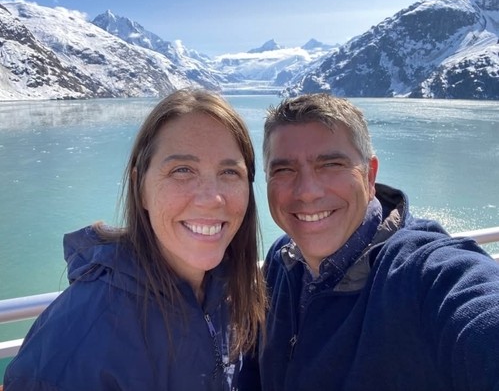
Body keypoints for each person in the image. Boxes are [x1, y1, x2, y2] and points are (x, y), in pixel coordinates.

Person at [4, 89, 266, 390]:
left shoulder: (229, 292)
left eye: (230, 172)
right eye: (182, 170)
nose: (212, 198)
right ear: (140, 186)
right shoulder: (78, 342)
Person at [241, 93, 499, 391]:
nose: (307, 191)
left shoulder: (421, 275)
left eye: (331, 164)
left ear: (369, 176)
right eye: (284, 170)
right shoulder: (282, 259)